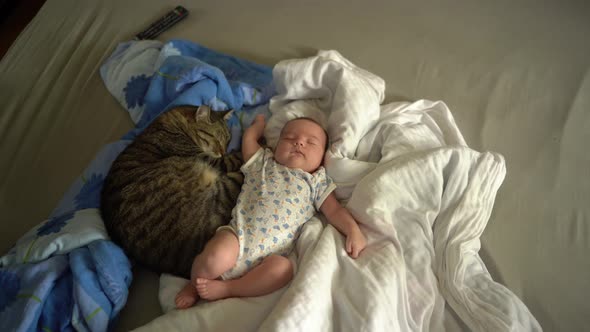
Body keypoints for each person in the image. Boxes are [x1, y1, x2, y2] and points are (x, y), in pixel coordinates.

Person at [175, 114, 367, 309]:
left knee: (283, 270)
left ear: (322, 159)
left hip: (269, 258)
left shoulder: (317, 182)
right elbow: (249, 140)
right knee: (214, 258)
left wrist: (353, 230)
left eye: (311, 142)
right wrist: (258, 126)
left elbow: (334, 211)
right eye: (290, 138)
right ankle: (194, 285)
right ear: (276, 147)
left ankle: (230, 288)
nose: (299, 142)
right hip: (239, 237)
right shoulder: (264, 162)